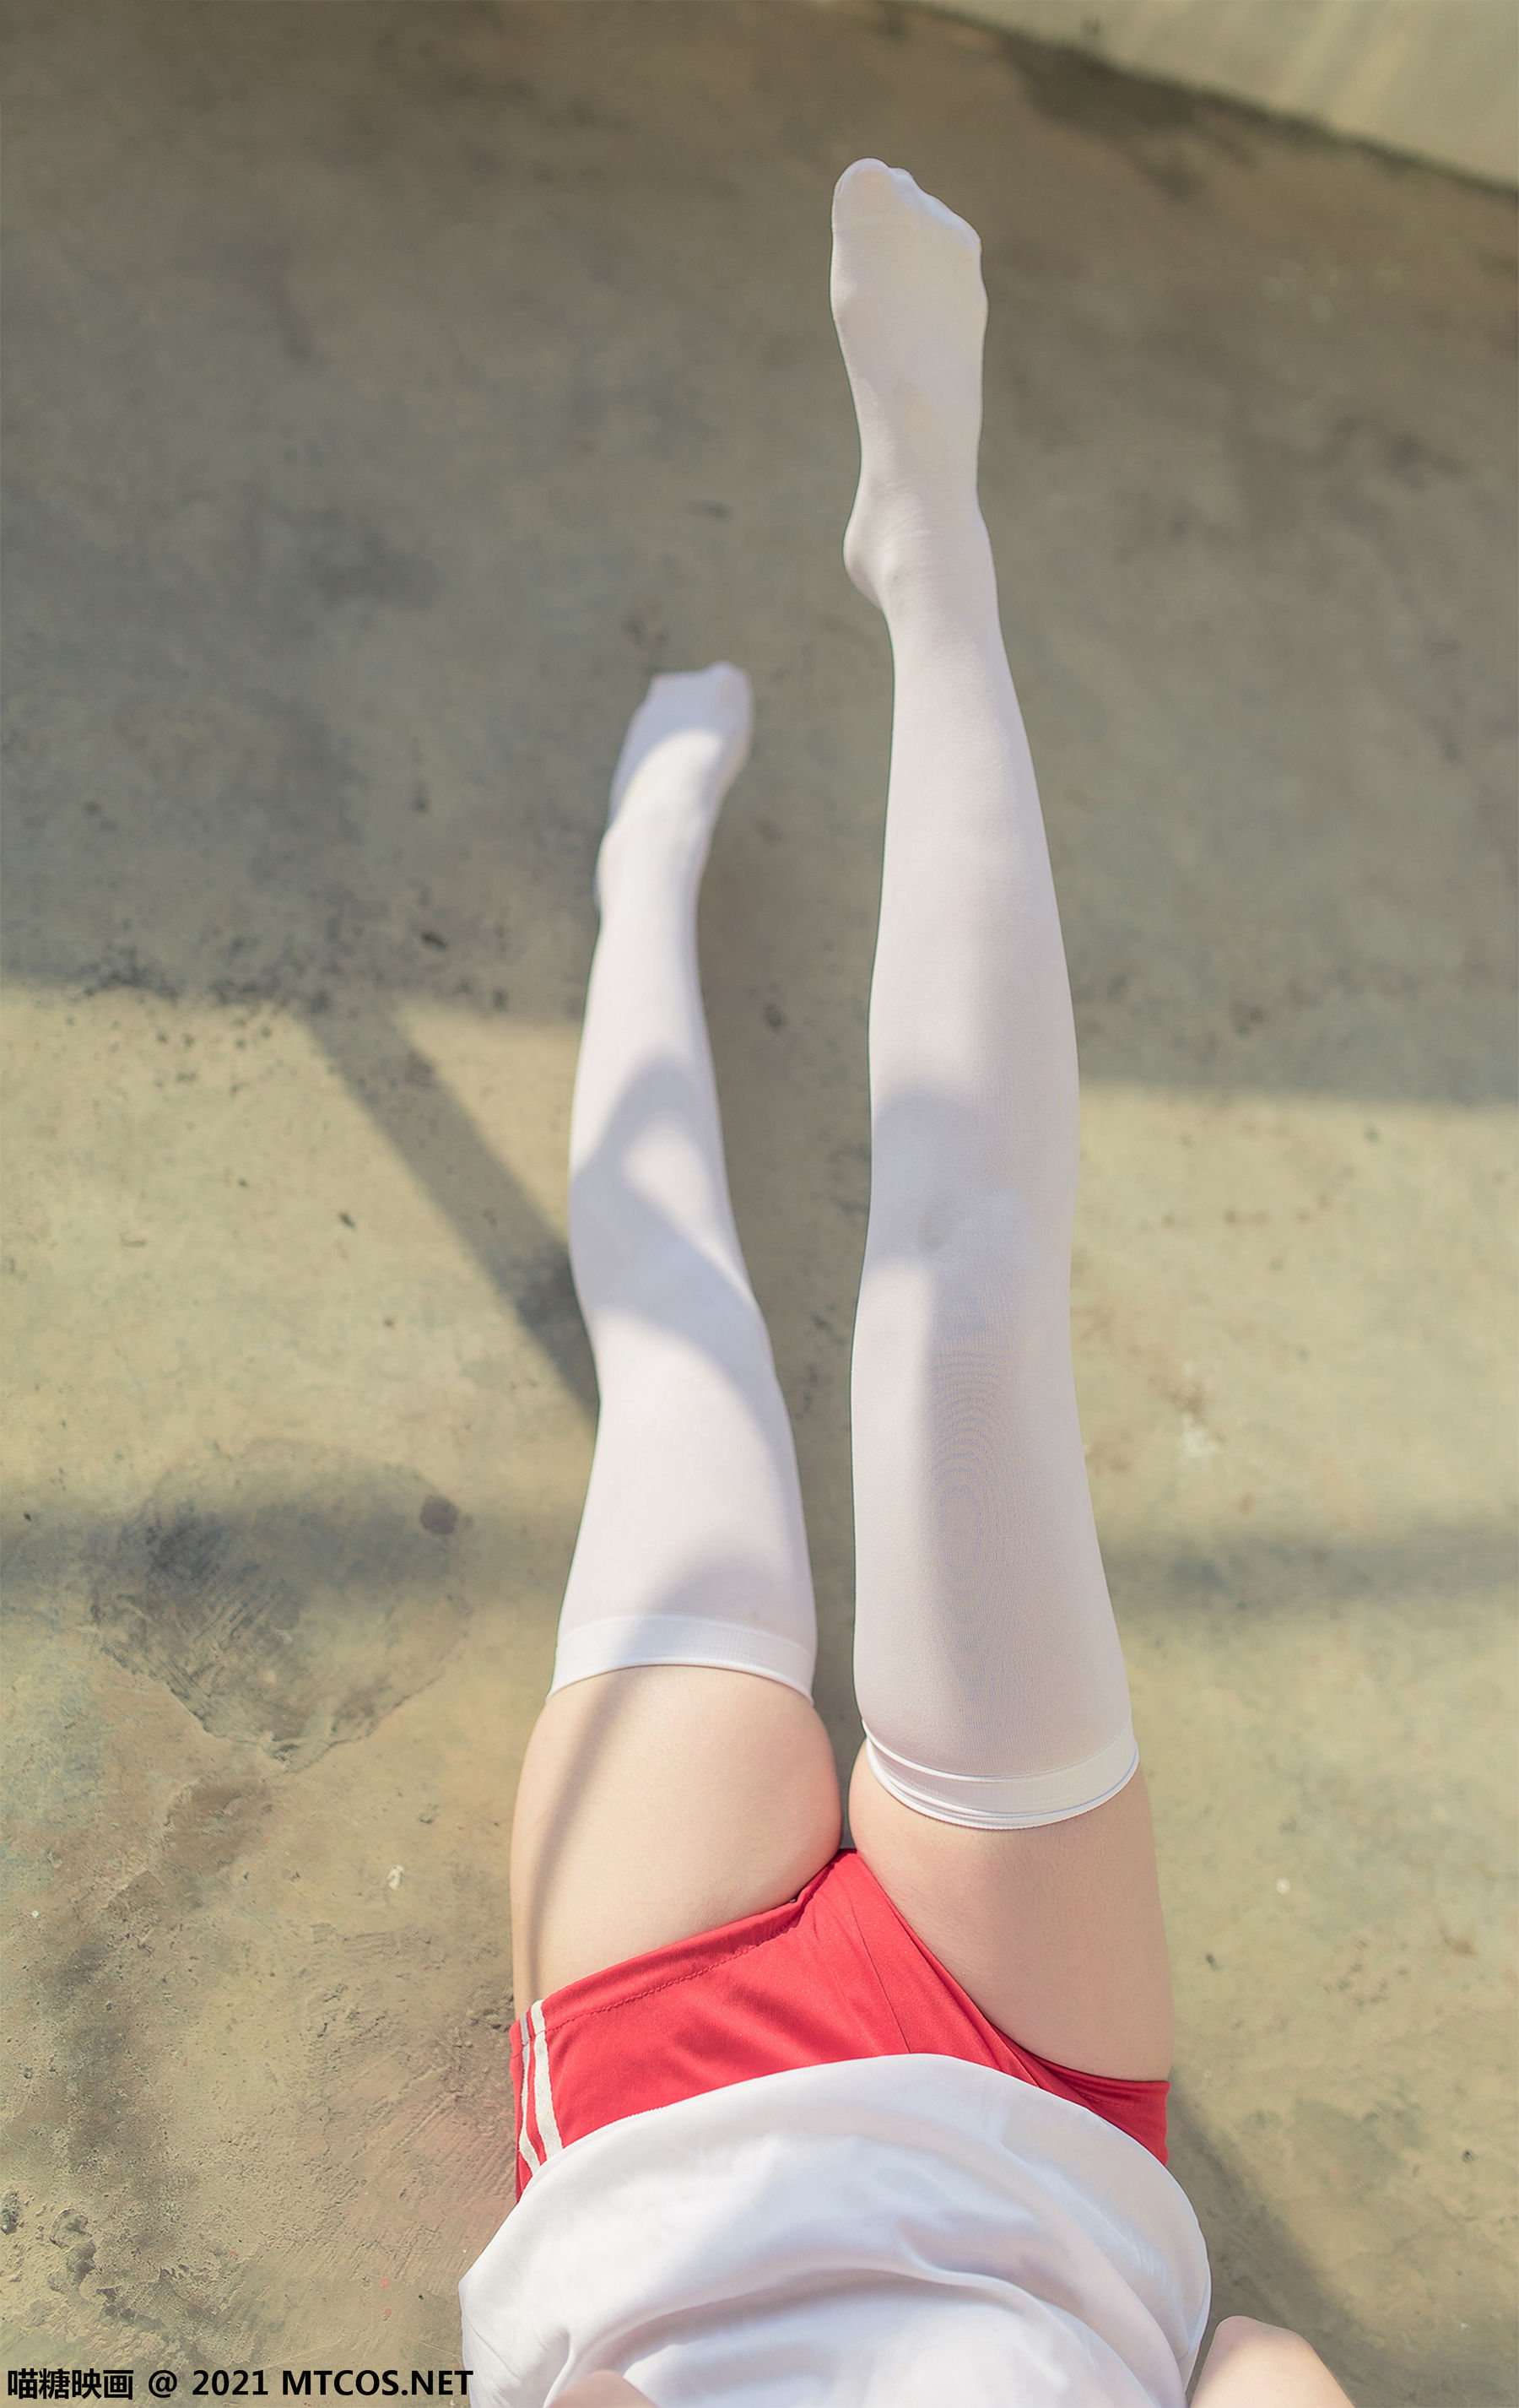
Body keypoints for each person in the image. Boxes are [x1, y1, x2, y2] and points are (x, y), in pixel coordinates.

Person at [459, 159, 1355, 2408]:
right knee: (965, 1322)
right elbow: (1259, 2362)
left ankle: (642, 879)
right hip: (1035, 2110)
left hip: (665, 2098)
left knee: (689, 1359)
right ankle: (931, 554)